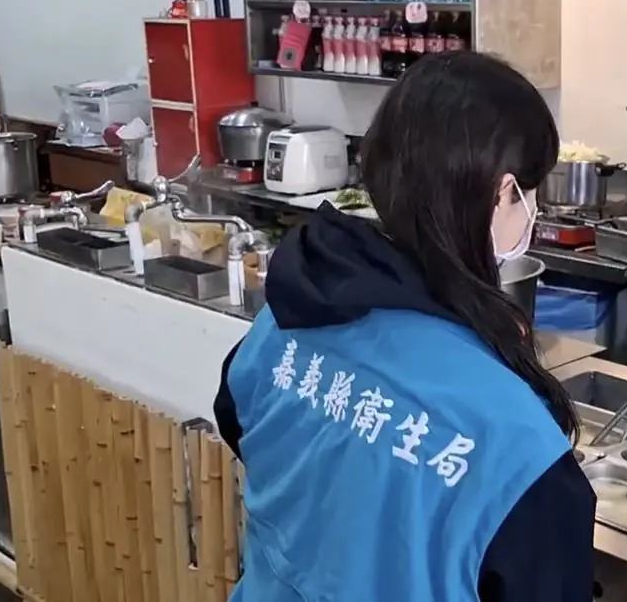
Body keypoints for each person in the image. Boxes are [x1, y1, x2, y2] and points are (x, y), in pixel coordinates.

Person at [213, 51, 594, 602]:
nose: (530, 209)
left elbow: (241, 424)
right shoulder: (520, 449)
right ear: (501, 193)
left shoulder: (283, 322)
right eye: (529, 192)